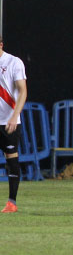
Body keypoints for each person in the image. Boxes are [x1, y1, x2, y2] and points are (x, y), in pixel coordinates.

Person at [0, 36, 27, 213]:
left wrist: (14, 116)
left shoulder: (13, 62)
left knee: (11, 158)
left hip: (8, 121)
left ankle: (12, 202)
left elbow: (22, 90)